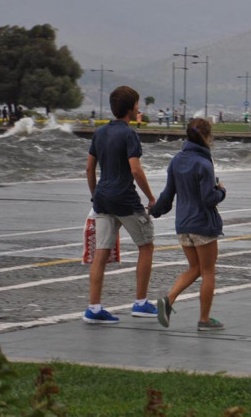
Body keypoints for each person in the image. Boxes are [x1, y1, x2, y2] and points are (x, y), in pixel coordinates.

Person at [84, 85, 157, 324]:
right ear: (131, 108)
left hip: (102, 199)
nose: (139, 108)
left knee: (101, 253)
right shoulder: (129, 134)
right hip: (125, 199)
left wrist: (96, 195)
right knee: (146, 246)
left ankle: (94, 308)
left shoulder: (100, 132)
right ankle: (141, 303)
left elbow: (89, 168)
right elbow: (135, 169)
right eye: (137, 104)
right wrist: (150, 197)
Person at [150, 117, 227, 332]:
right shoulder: (204, 163)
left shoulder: (176, 160)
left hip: (183, 225)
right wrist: (221, 191)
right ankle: (204, 319)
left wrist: (154, 211)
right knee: (208, 271)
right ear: (207, 136)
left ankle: (169, 299)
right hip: (202, 224)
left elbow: (167, 195)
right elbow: (208, 199)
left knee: (195, 268)